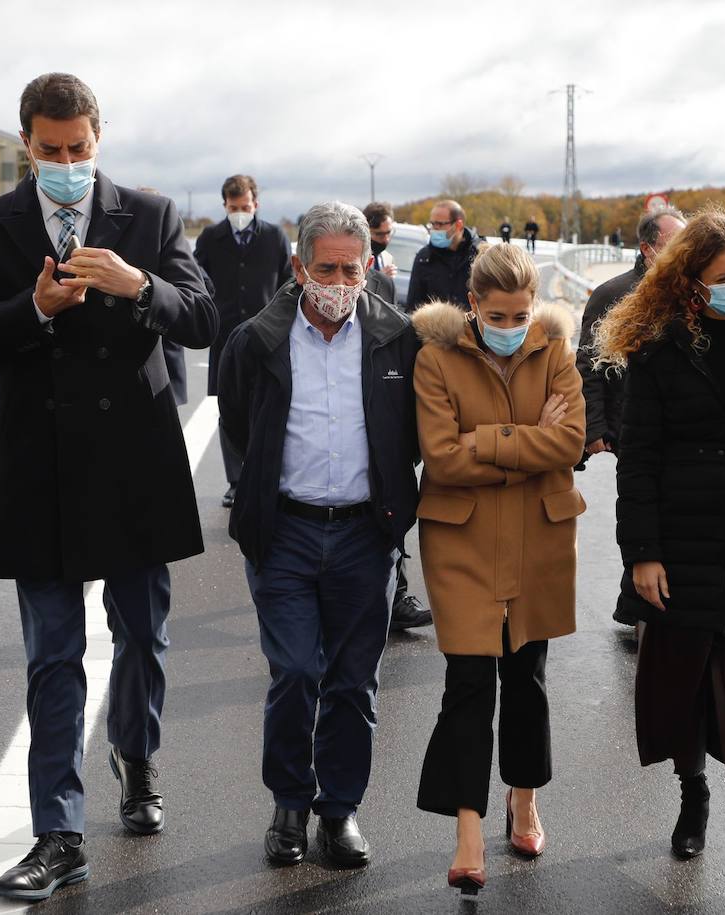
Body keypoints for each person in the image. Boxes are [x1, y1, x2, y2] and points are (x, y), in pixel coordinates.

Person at [0, 72, 217, 902]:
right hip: (41, 466)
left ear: (100, 139)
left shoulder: (152, 218)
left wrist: (139, 285)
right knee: (52, 655)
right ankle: (57, 833)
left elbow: (203, 319)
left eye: (79, 149)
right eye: (50, 150)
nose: (66, 163)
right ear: (26, 142)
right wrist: (33, 308)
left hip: (136, 462)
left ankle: (137, 754)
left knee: (144, 636)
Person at [594, 209, 725, 897]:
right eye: (723, 277)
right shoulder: (660, 349)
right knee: (681, 687)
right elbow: (640, 460)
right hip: (679, 550)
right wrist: (643, 553)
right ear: (690, 284)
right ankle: (694, 796)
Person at [218, 201, 419, 870]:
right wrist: (256, 510)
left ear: (368, 267)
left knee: (353, 681)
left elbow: (413, 433)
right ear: (299, 266)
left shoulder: (398, 338)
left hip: (365, 534)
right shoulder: (257, 340)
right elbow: (240, 431)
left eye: (351, 269)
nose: (338, 282)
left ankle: (339, 811)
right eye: (325, 268)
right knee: (297, 671)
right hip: (287, 533)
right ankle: (288, 802)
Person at [411, 245, 586, 898]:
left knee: (527, 675)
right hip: (463, 540)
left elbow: (569, 442)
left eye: (523, 312)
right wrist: (523, 438)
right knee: (469, 680)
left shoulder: (556, 351)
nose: (513, 324)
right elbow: (441, 458)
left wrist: (482, 438)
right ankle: (466, 829)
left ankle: (525, 799)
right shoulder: (436, 357)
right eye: (500, 313)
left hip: (539, 534)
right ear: (474, 304)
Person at [196, 174, 294, 508]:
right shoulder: (211, 237)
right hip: (224, 336)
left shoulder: (274, 236)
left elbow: (288, 282)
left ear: (256, 204)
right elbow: (196, 276)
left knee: (268, 405)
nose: (241, 211)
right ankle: (236, 482)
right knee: (230, 408)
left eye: (246, 206)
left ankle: (267, 477)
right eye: (234, 207)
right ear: (225, 205)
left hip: (268, 335)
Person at [361, 200, 432, 631]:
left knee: (389, 513)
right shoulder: (314, 283)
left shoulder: (383, 284)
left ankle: (397, 595)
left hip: (383, 420)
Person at [577, 206, 685, 460]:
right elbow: (589, 363)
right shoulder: (612, 295)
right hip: (631, 430)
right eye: (674, 244)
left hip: (683, 427)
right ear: (647, 249)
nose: (684, 251)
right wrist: (593, 428)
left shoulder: (693, 291)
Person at [406, 199, 480, 311]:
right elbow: (413, 307)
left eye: (440, 224)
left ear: (458, 225)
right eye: (432, 224)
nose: (435, 229)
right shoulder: (424, 258)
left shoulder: (479, 255)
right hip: (434, 327)